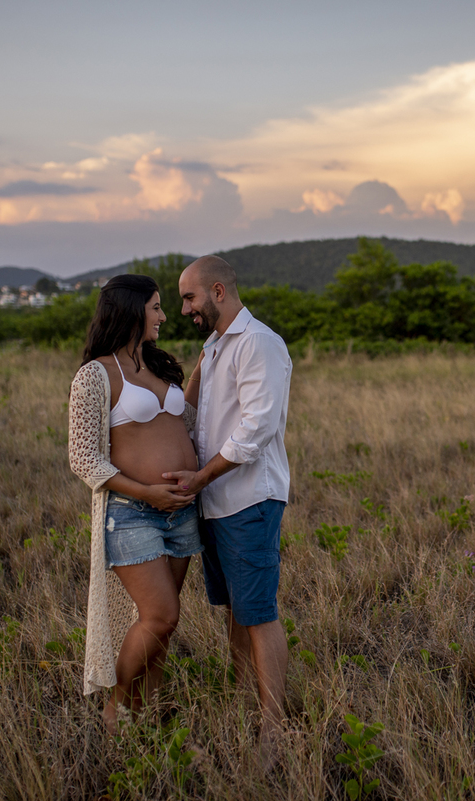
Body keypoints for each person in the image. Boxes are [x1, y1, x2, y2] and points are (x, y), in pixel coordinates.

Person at [163, 255, 292, 770]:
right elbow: (191, 415)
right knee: (236, 610)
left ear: (218, 290)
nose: (184, 309)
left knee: (258, 612)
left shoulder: (260, 343)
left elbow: (256, 430)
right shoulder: (215, 347)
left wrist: (200, 477)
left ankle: (274, 730)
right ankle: (240, 706)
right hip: (215, 502)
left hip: (248, 500)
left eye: (190, 298)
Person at [67, 273, 201, 734]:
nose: (164, 316)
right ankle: (119, 707)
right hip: (132, 514)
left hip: (182, 514)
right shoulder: (96, 375)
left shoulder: (160, 365)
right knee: (161, 615)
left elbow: (188, 420)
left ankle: (151, 710)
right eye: (157, 307)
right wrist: (147, 491)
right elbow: (83, 458)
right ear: (131, 309)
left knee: (161, 626)